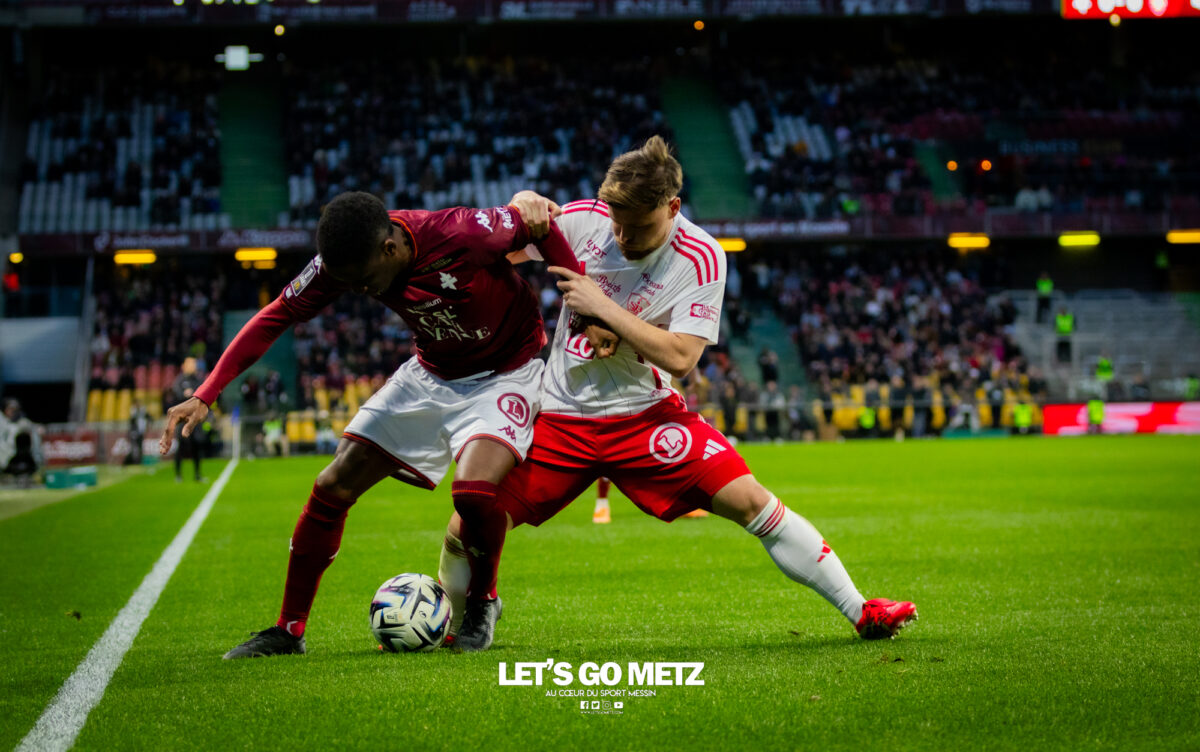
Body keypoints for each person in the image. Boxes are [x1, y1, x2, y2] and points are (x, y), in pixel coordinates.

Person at [439, 137, 916, 651]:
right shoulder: (583, 219)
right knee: (466, 525)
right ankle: (461, 622)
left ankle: (861, 610)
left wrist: (603, 309)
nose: (623, 237)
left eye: (639, 227)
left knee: (753, 502)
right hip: (559, 416)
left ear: (672, 208)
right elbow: (494, 250)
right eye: (616, 223)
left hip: (645, 419)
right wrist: (517, 208)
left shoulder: (702, 256)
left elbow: (683, 357)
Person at [160, 190, 586, 659]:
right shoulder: (343, 262)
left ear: (390, 248)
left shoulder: (462, 231)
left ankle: (483, 602)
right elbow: (276, 314)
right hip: (431, 373)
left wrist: (589, 317)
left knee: (472, 492)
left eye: (364, 281)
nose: (361, 291)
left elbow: (545, 227)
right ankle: (289, 630)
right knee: (333, 483)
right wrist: (206, 392)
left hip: (505, 373)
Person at [169, 358, 205, 483]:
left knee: (197, 446)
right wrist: (184, 394)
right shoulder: (179, 381)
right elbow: (175, 395)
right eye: (191, 364)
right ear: (183, 366)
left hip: (195, 419)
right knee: (181, 446)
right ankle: (178, 475)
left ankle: (197, 474)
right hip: (182, 419)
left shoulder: (198, 380)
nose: (193, 366)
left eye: (194, 364)